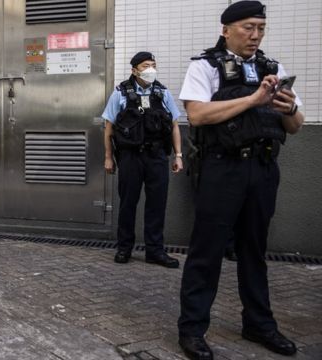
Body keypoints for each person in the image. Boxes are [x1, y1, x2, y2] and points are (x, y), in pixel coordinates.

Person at [177, 2, 304, 359]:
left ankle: (259, 325)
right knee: (207, 251)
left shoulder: (273, 68)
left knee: (254, 250)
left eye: (261, 28)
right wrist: (254, 99)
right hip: (223, 169)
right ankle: (191, 329)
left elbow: (295, 126)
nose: (256, 35)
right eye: (248, 27)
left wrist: (289, 107)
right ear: (226, 29)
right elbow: (197, 114)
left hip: (262, 170)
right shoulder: (205, 66)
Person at [102, 52, 184, 268]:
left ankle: (155, 251)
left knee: (157, 204)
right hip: (130, 157)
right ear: (134, 70)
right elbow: (109, 127)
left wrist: (178, 155)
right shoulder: (120, 93)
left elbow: (175, 125)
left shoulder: (162, 92)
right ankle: (124, 248)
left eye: (153, 65)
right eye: (146, 65)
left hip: (157, 156)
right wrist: (108, 157)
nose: (151, 69)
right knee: (128, 203)